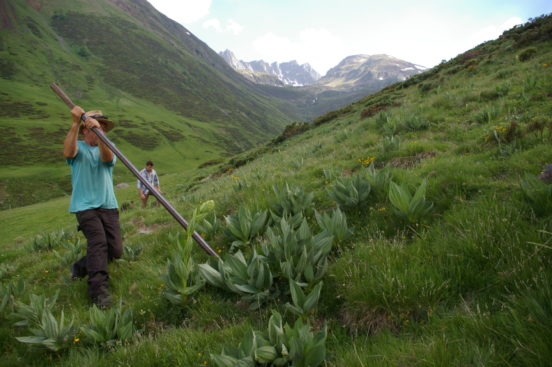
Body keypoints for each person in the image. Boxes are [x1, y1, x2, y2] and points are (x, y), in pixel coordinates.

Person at [63, 106, 122, 308]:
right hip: (85, 206)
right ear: (85, 130)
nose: (100, 130)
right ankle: (98, 292)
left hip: (108, 204)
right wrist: (74, 123)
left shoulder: (108, 146)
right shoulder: (78, 147)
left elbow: (106, 159)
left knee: (115, 250)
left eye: (103, 127)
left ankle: (80, 267)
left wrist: (101, 136)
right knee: (98, 243)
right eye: (96, 126)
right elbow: (68, 152)